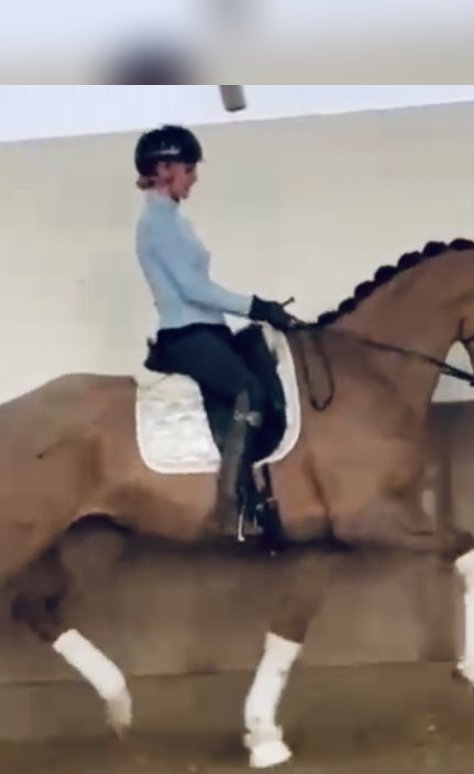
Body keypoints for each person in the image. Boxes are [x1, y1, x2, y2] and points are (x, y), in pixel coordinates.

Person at [133, 123, 296, 535]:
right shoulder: (157, 222)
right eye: (189, 168)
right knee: (248, 391)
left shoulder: (173, 219)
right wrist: (256, 306)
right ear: (165, 168)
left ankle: (263, 488)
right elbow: (192, 289)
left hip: (208, 330)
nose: (195, 177)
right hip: (186, 335)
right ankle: (233, 502)